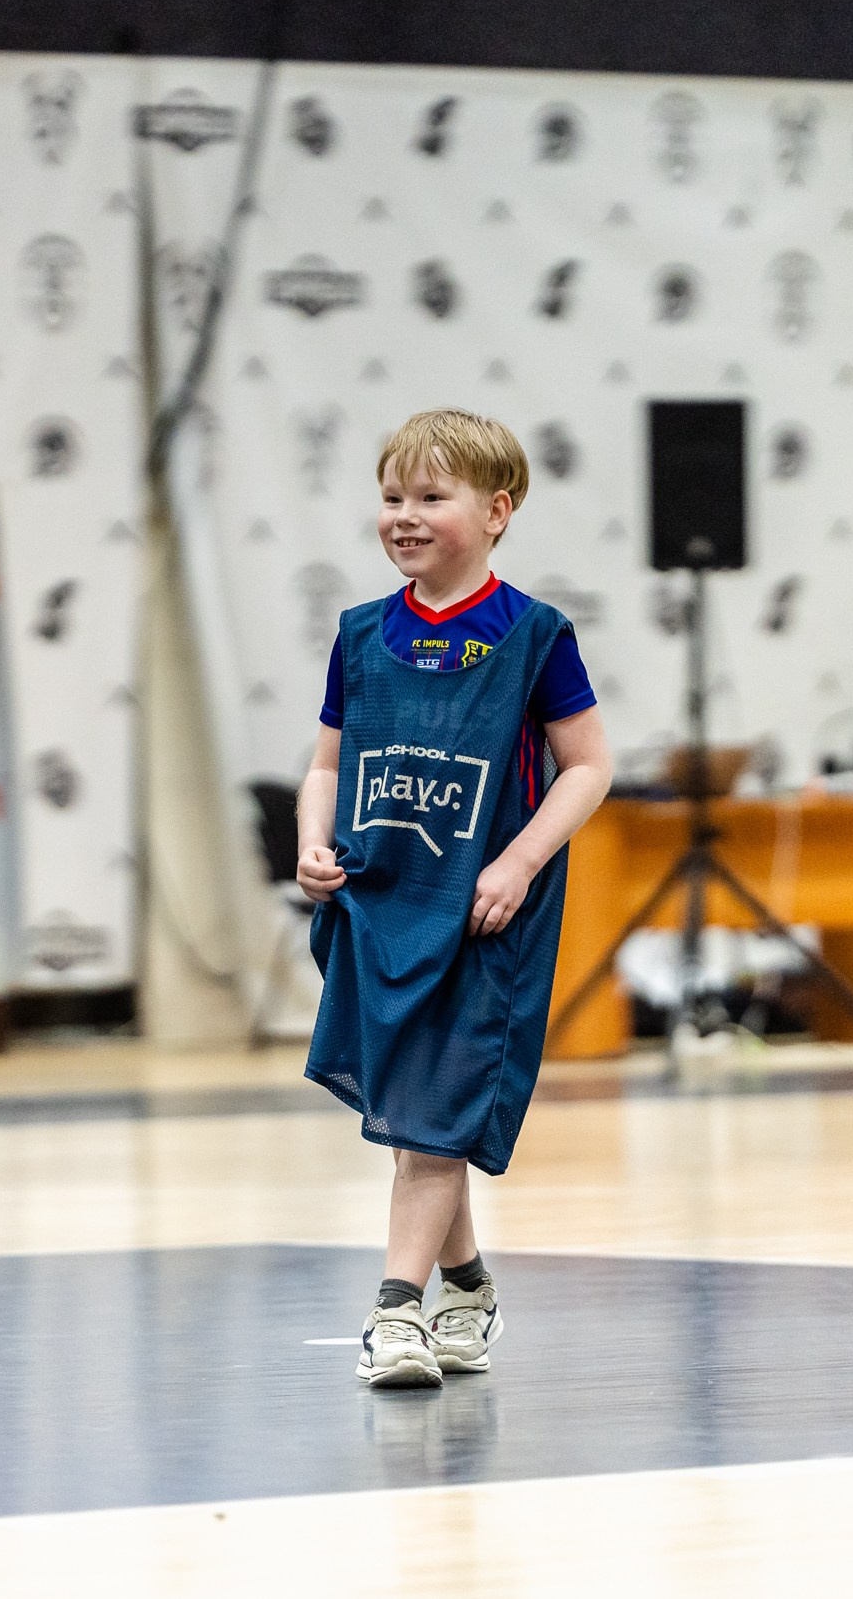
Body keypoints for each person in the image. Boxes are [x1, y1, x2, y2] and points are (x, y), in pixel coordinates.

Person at [297, 409, 613, 1389]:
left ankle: (395, 1316)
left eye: (430, 498)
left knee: (431, 1122)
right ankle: (467, 1287)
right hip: (379, 908)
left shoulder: (534, 637)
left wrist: (517, 862)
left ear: (496, 511)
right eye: (392, 497)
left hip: (482, 915)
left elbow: (589, 767)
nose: (404, 516)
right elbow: (325, 764)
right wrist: (311, 839)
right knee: (416, 1123)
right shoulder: (359, 637)